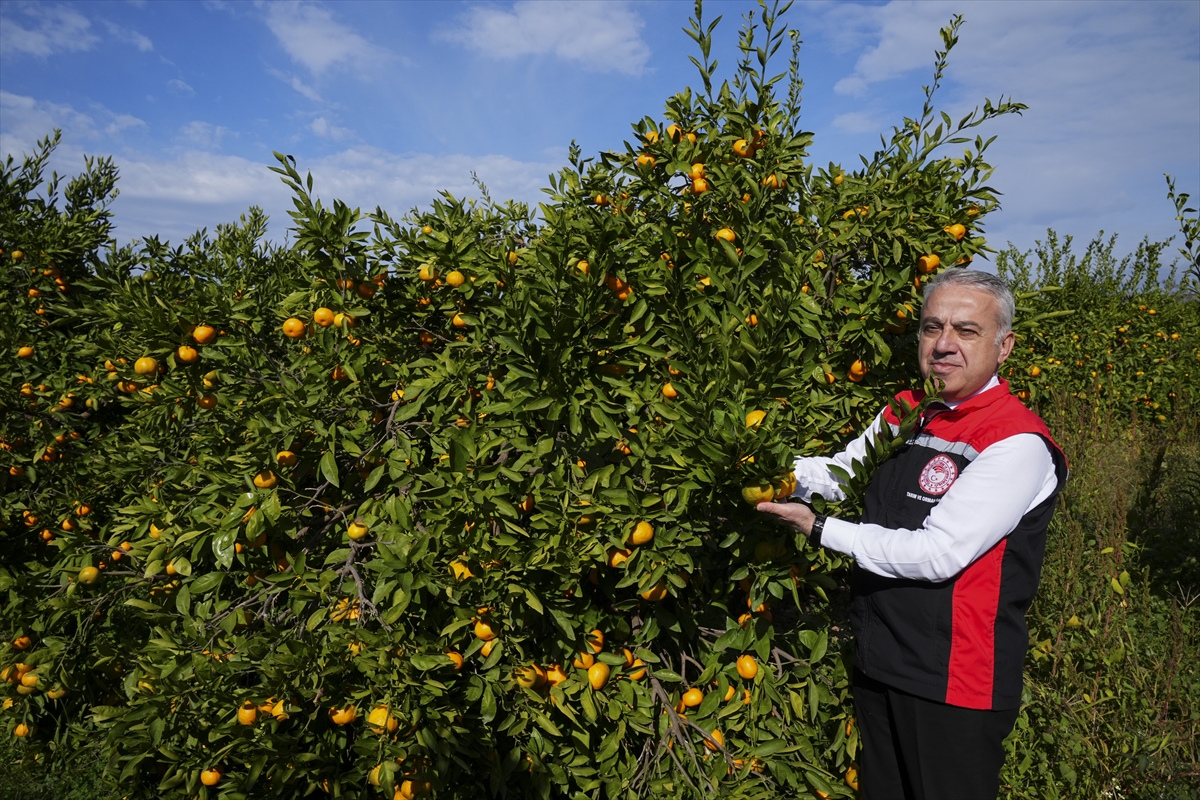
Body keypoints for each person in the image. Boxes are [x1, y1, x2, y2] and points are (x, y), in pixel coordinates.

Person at [757, 269, 1068, 800]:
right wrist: (776, 471)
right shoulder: (908, 409)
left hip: (953, 679)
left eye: (966, 330)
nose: (943, 344)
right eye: (932, 327)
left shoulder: (1015, 441)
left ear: (1004, 346)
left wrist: (817, 527)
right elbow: (844, 471)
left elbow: (937, 554)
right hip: (882, 656)